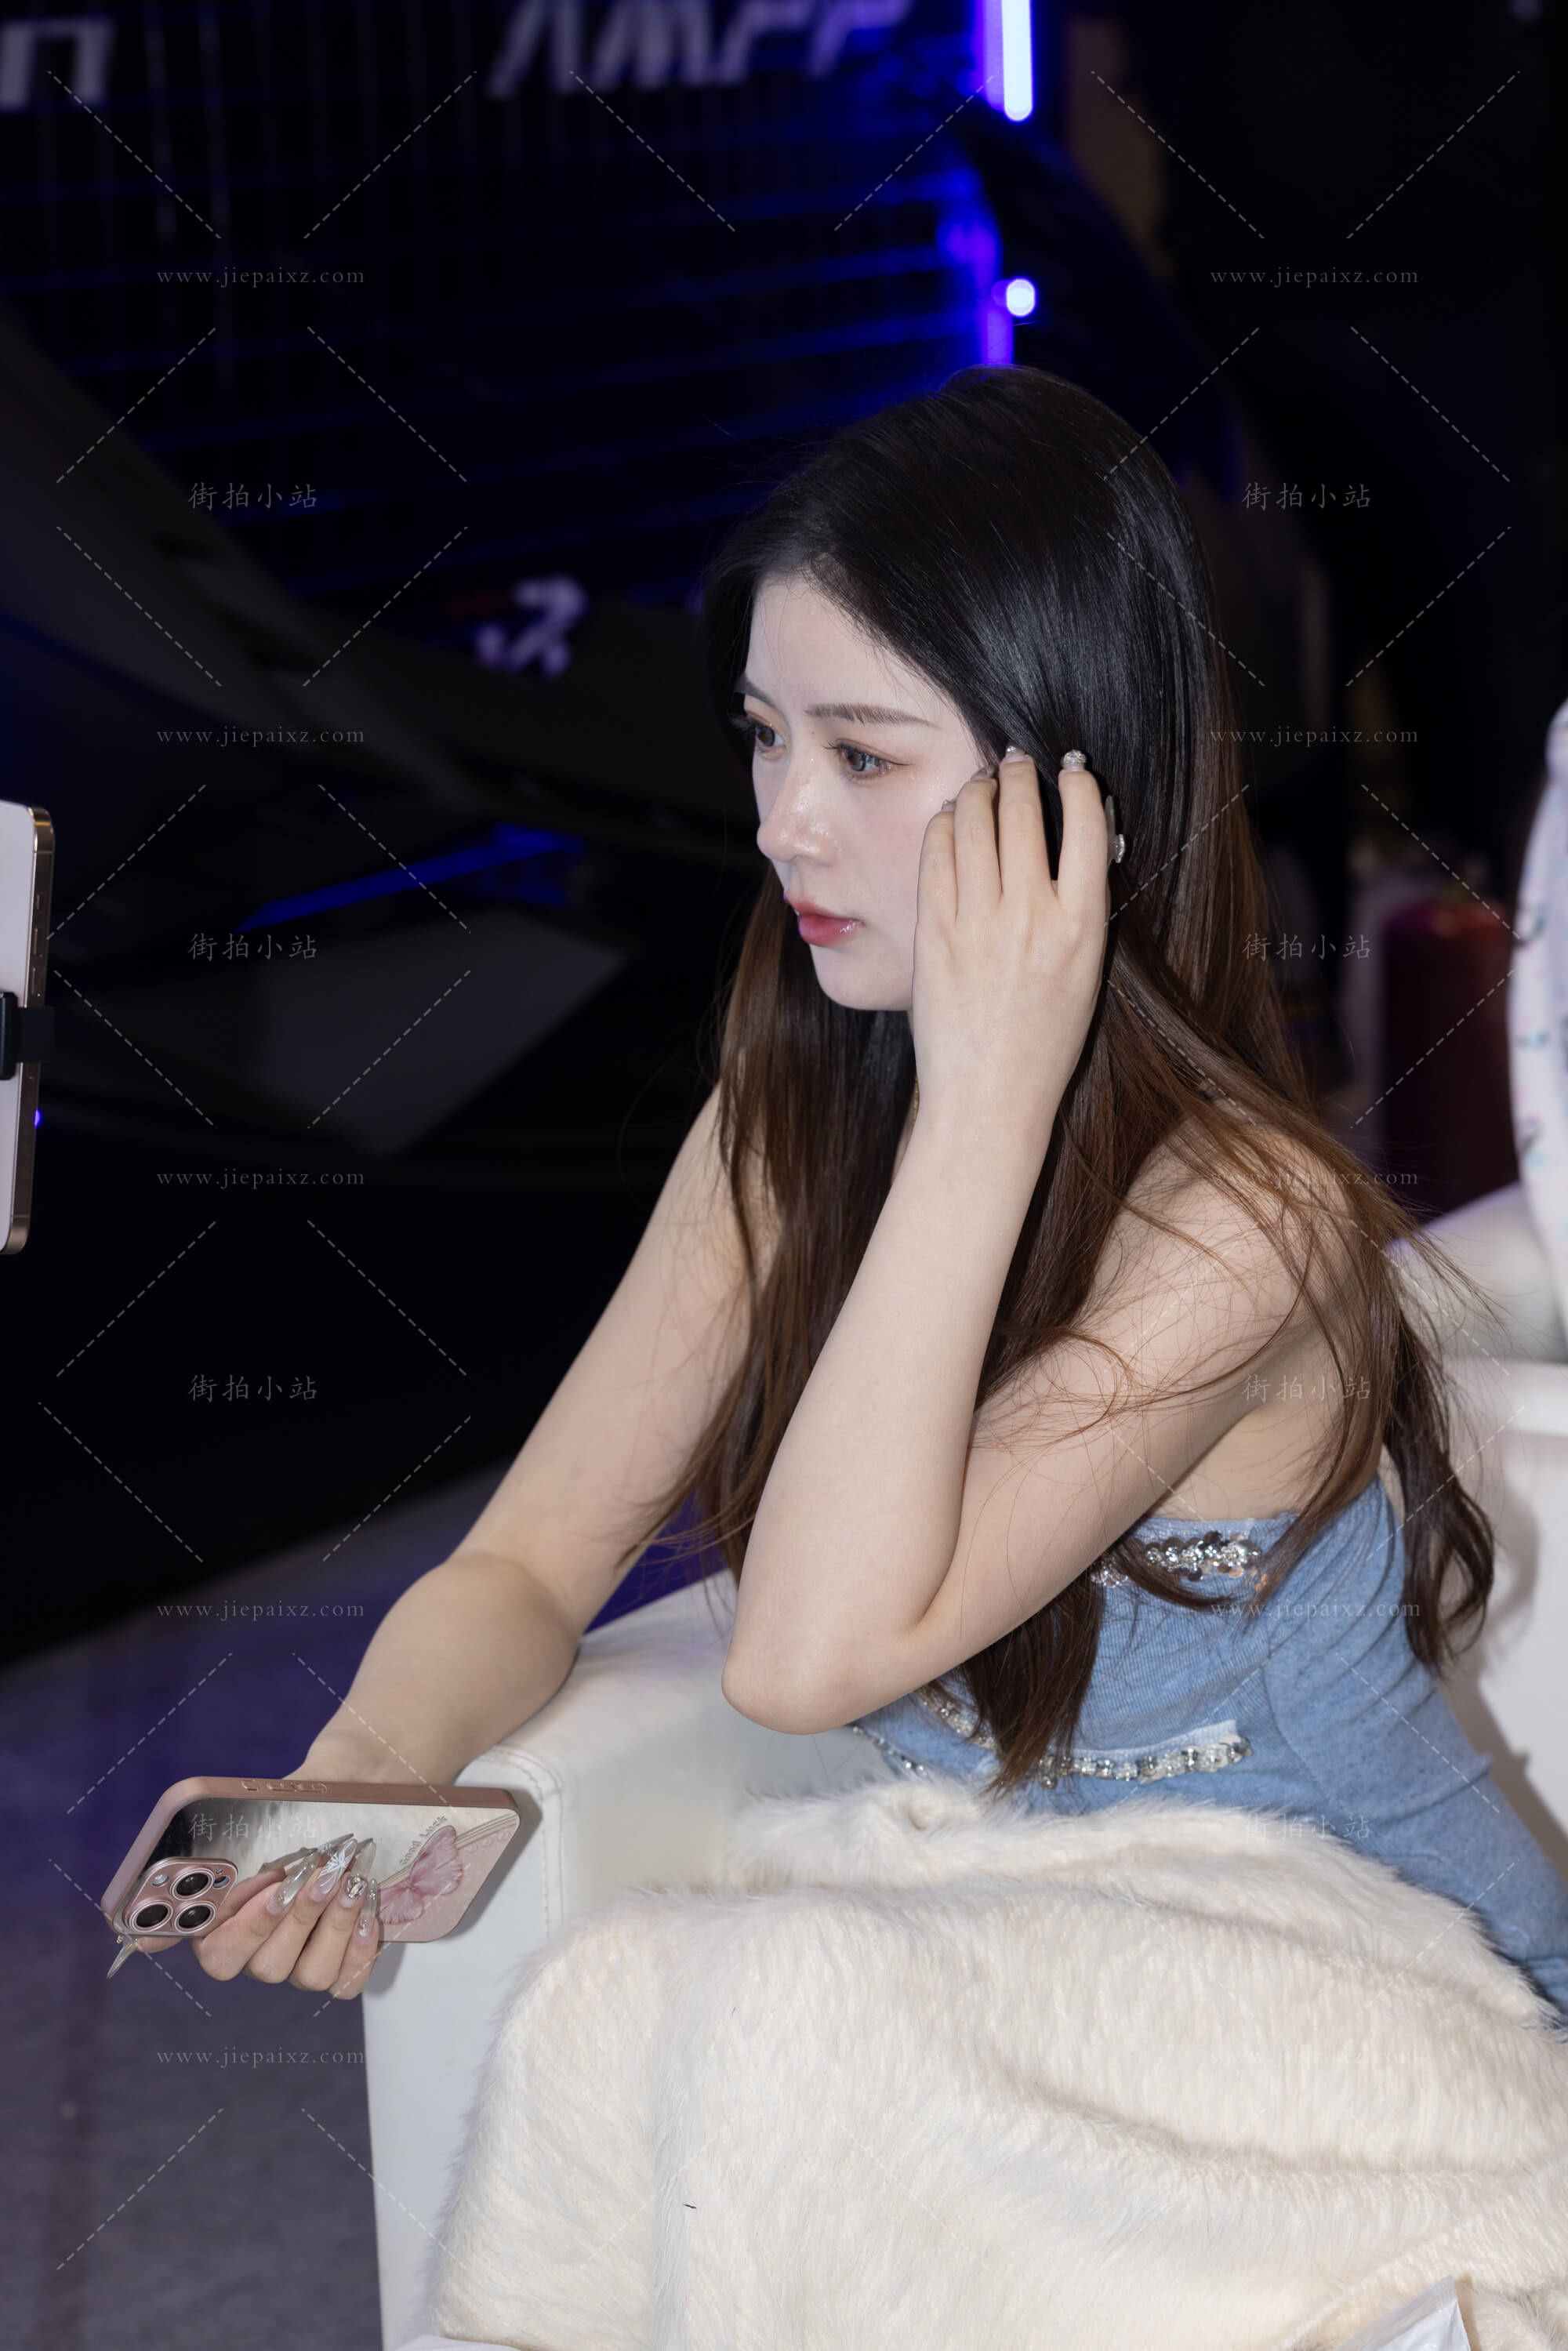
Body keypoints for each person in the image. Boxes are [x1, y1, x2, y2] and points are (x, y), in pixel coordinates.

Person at [140, 365, 1568, 2020]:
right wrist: (365, 1770)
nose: (784, 825)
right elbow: (526, 1564)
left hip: (1396, 1991)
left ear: (1079, 797)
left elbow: (802, 1658)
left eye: (864, 758)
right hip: (1078, 1969)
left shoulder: (1249, 1222)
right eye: (766, 739)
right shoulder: (791, 1112)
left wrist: (985, 1100)